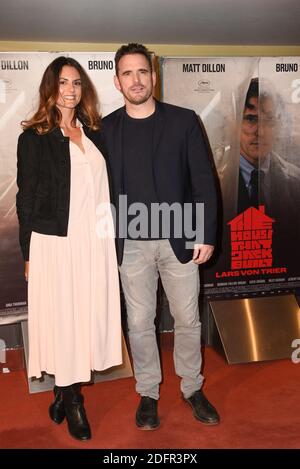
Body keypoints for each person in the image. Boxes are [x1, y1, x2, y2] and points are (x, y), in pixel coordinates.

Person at [101, 43, 220, 430]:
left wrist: (204, 232)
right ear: (116, 82)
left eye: (142, 72)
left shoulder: (184, 121)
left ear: (153, 75)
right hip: (130, 244)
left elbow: (203, 180)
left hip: (180, 238)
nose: (136, 80)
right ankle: (148, 392)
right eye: (127, 73)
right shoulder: (105, 128)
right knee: (139, 322)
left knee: (187, 319)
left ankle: (192, 387)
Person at [16, 56, 122, 441]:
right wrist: (28, 252)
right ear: (51, 88)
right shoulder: (34, 138)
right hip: (54, 243)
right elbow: (25, 198)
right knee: (64, 319)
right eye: (63, 82)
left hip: (93, 242)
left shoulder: (94, 133)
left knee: (85, 317)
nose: (70, 90)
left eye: (76, 83)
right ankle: (74, 399)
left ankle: (62, 393)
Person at [238, 77, 300, 272]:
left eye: (269, 121)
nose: (260, 132)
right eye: (250, 119)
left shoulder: (296, 181)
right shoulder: (214, 179)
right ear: (234, 121)